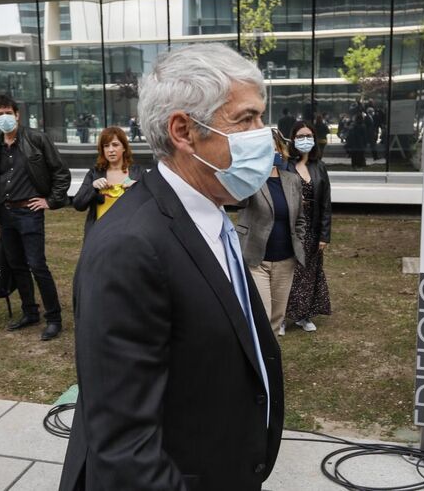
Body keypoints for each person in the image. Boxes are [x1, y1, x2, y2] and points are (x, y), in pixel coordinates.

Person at [60, 44, 284, 491]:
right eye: (245, 119)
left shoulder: (210, 212)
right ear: (183, 130)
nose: (263, 134)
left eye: (261, 118)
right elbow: (125, 449)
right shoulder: (130, 246)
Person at [0, 94, 71, 341]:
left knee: (37, 265)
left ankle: (54, 318)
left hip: (30, 212)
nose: (4, 117)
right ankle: (30, 312)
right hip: (6, 214)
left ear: (17, 114)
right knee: (17, 265)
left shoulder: (36, 138)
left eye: (7, 112)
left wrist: (50, 200)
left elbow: (61, 173)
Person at [237, 128, 305, 336]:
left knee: (277, 318)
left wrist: (299, 244)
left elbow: (300, 218)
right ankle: (257, 363)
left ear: (279, 149)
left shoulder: (292, 180)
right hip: (257, 260)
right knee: (262, 316)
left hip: (286, 261)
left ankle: (271, 362)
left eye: (272, 146)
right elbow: (237, 200)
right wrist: (252, 170)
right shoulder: (250, 179)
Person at [285, 121, 332, 332]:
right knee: (288, 272)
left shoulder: (319, 166)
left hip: (312, 228)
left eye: (308, 135)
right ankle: (282, 317)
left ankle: (304, 315)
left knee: (310, 271)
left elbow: (326, 204)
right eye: (300, 136)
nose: (305, 140)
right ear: (293, 140)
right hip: (290, 227)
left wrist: (324, 235)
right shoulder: (285, 165)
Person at [72, 126, 145, 237]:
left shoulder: (138, 172)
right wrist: (93, 187)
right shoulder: (94, 173)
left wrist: (138, 188)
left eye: (115, 145)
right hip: (100, 237)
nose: (111, 150)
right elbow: (78, 204)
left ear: (124, 147)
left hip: (130, 237)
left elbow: (153, 204)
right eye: (106, 146)